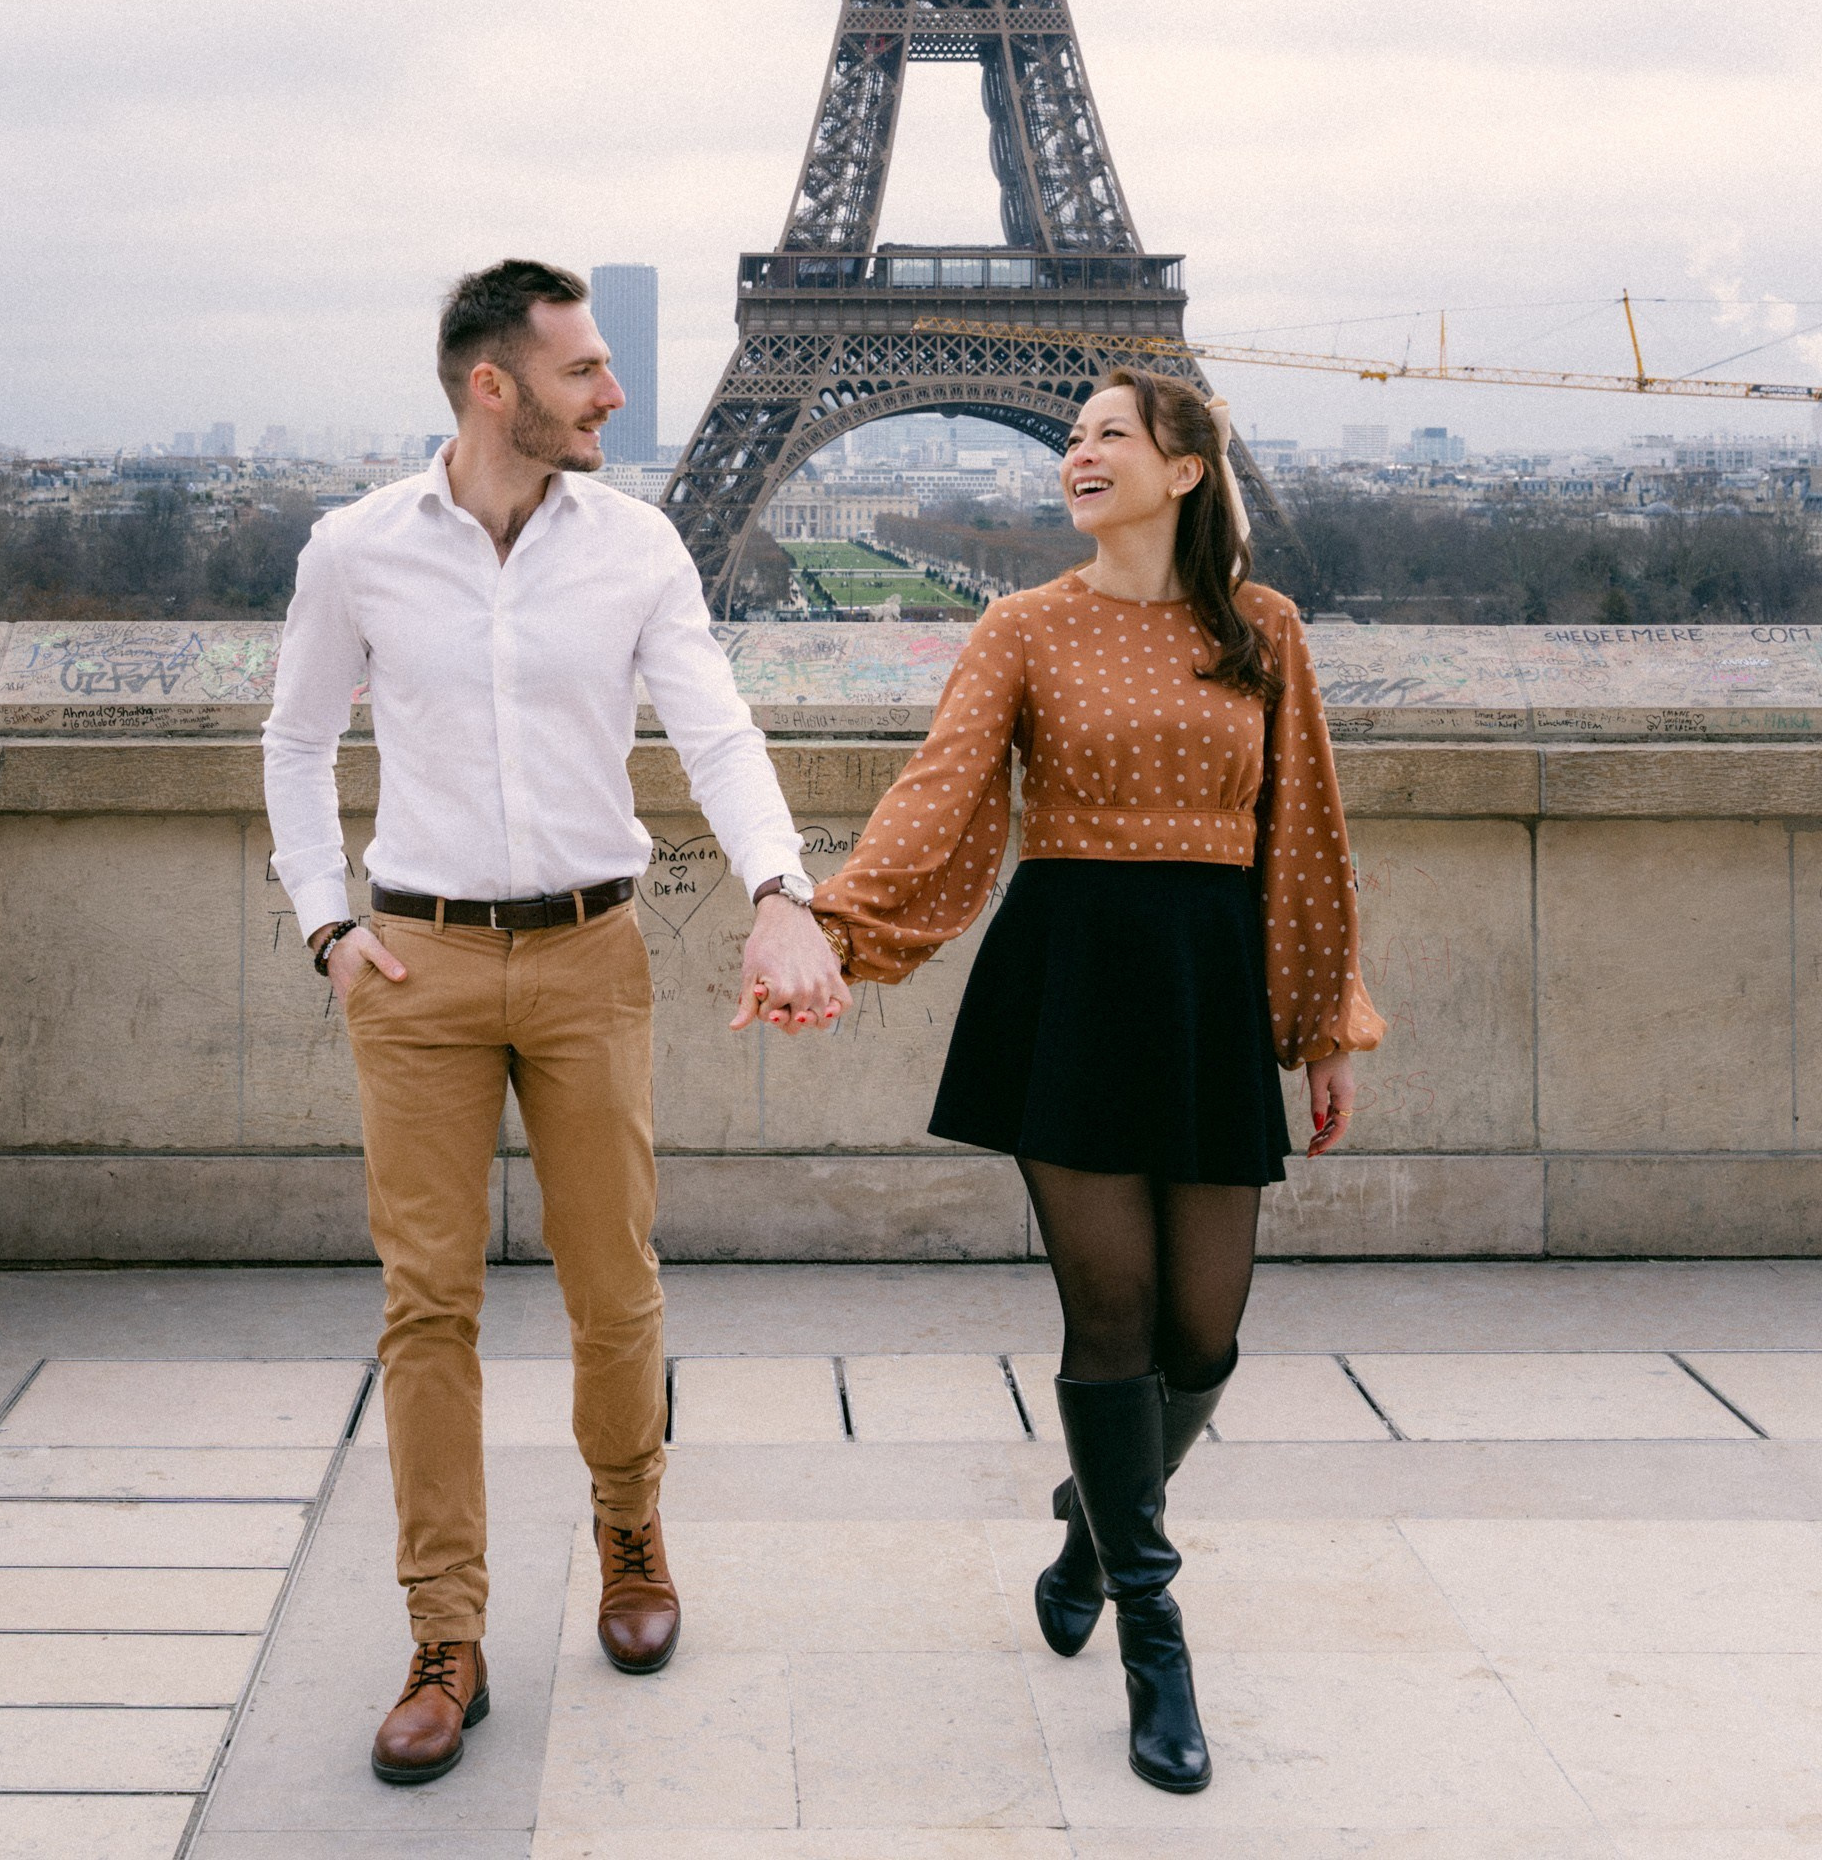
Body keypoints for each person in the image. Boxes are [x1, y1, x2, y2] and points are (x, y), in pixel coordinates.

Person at [262, 260, 846, 1786]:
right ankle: (444, 1632)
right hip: (422, 967)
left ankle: (628, 1526)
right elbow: (296, 737)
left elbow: (715, 728)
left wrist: (783, 887)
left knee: (615, 1285)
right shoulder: (357, 551)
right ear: (492, 387)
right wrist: (328, 922)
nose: (616, 390)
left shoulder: (639, 547)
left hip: (593, 957)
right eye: (585, 369)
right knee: (426, 1309)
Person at [807, 372, 1383, 1796]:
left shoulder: (1265, 634)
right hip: (1069, 980)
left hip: (1202, 987)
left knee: (1205, 1335)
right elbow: (941, 796)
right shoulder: (1024, 626)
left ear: (1186, 469)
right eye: (1070, 438)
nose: (1077, 454)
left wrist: (1319, 1021)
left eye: (1108, 435)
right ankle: (1154, 1628)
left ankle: (1094, 1523)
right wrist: (828, 928)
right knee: (1113, 1314)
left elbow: (1303, 825)